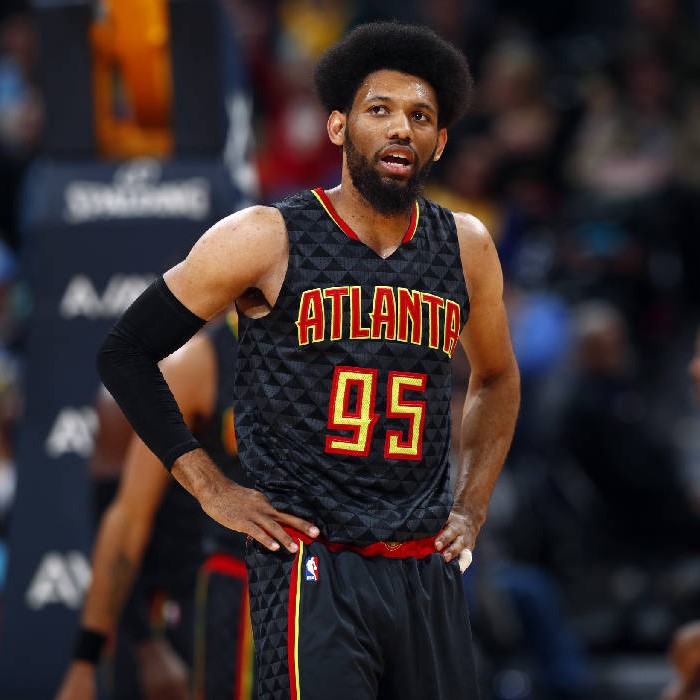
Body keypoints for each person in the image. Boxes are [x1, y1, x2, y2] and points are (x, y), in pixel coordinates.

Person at [95, 21, 521, 699]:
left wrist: (471, 506)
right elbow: (125, 352)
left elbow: (496, 378)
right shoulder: (266, 237)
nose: (400, 128)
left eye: (420, 117)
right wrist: (212, 488)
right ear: (337, 127)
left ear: (440, 143)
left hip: (424, 563)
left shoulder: (466, 246)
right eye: (379, 110)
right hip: (312, 561)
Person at [55, 313, 256, 700]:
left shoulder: (311, 356)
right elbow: (124, 521)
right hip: (186, 598)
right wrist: (134, 646)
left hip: (286, 589)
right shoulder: (183, 370)